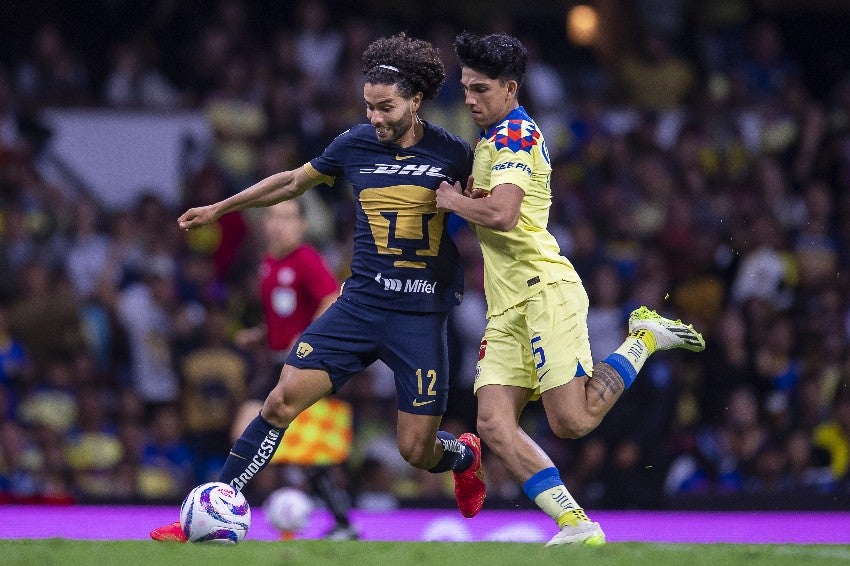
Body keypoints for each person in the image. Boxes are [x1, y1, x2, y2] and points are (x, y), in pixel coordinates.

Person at [151, 32, 484, 542]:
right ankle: (209, 511)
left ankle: (461, 455)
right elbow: (291, 182)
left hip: (420, 315)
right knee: (280, 401)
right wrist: (221, 207)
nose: (375, 117)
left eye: (386, 107)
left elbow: (493, 215)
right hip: (361, 303)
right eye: (368, 106)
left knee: (415, 450)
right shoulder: (352, 144)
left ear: (416, 100)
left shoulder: (456, 153)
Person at [435, 31, 705, 547]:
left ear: (510, 89)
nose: (469, 99)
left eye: (481, 89)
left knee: (573, 421)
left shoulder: (515, 135)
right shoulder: (490, 139)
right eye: (466, 87)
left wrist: (453, 201)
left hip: (544, 291)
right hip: (506, 305)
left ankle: (642, 339)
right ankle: (576, 525)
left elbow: (504, 213)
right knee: (493, 424)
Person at [232, 199, 357, 540]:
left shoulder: (305, 259)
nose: (278, 224)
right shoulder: (269, 262)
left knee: (254, 432)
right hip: (275, 363)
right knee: (301, 451)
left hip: (301, 366)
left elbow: (331, 299)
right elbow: (286, 316)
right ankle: (342, 523)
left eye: (287, 217)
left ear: (302, 225)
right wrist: (260, 335)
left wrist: (308, 338)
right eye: (273, 216)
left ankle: (227, 507)